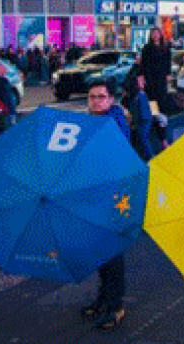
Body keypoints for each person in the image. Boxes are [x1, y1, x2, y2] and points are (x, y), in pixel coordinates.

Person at [80, 80, 132, 331]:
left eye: (101, 96)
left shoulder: (114, 123)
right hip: (95, 194)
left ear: (111, 99)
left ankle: (116, 305)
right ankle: (103, 299)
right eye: (92, 97)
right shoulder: (92, 122)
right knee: (100, 252)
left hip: (113, 196)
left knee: (111, 253)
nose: (96, 101)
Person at [139, 28, 171, 108]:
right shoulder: (146, 48)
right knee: (152, 99)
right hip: (150, 77)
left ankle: (162, 115)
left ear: (160, 35)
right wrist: (142, 77)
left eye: (157, 33)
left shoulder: (165, 48)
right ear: (151, 35)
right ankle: (154, 116)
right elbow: (143, 63)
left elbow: (168, 62)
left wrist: (168, 74)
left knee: (162, 97)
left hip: (162, 77)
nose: (156, 35)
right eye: (154, 33)